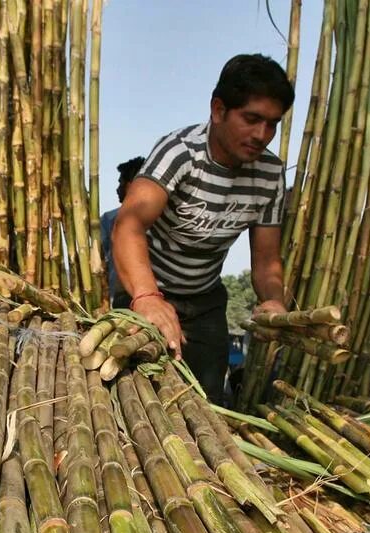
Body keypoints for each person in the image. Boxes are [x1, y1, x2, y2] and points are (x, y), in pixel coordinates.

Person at [112, 53, 294, 402]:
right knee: (135, 398)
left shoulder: (270, 174)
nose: (262, 135)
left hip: (206, 302)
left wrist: (273, 300)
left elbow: (267, 260)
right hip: (148, 288)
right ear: (218, 109)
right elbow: (128, 225)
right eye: (252, 119)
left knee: (205, 401)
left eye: (272, 124)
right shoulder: (180, 153)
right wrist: (147, 297)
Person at [98, 156, 144, 304]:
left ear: (130, 185)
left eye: (120, 183)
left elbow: (100, 262)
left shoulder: (110, 219)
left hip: (122, 297)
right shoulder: (165, 218)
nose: (117, 189)